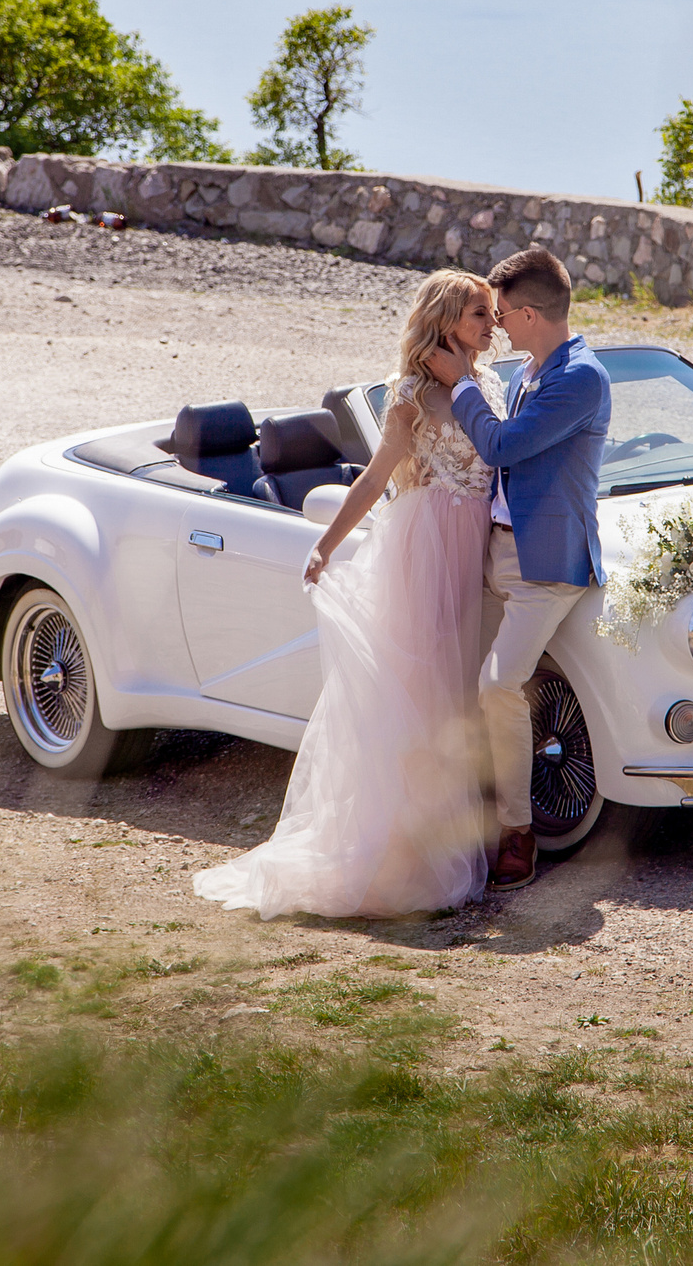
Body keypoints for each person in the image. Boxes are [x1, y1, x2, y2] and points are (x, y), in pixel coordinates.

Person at [193, 269, 506, 920]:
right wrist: (326, 544)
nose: (490, 323)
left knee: (477, 690)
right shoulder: (412, 394)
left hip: (480, 538)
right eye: (479, 312)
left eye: (490, 313)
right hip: (426, 549)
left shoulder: (489, 383)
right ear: (447, 318)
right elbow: (372, 481)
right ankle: (410, 851)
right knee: (429, 696)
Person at [428, 246, 610, 891]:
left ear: (530, 313)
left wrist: (460, 383)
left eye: (503, 312)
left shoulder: (578, 377)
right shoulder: (537, 367)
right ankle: (461, 811)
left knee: (499, 686)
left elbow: (502, 444)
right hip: (495, 552)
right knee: (452, 676)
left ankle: (518, 831)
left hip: (546, 565)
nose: (497, 323)